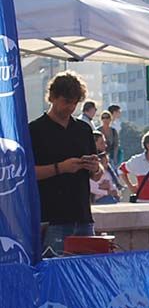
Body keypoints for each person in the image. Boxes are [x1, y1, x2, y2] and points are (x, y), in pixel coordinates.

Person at [29, 71, 104, 256]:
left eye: (74, 102)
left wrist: (95, 168)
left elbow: (98, 173)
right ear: (52, 97)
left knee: (85, 275)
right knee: (53, 275)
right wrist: (60, 168)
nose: (70, 107)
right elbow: (27, 174)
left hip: (83, 216)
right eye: (66, 101)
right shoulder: (34, 130)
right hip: (51, 217)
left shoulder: (83, 129)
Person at [90, 132, 123, 205]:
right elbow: (90, 186)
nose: (105, 146)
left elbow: (111, 180)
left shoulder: (107, 165)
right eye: (102, 143)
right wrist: (101, 188)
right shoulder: (88, 163)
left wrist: (113, 190)